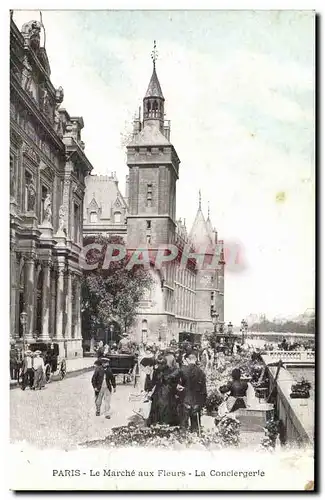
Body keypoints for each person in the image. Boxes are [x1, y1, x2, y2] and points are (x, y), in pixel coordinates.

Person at [174, 354, 207, 432]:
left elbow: (170, 377)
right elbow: (204, 390)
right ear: (195, 360)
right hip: (196, 401)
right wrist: (202, 403)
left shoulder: (183, 370)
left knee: (183, 424)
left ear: (187, 360)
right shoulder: (201, 372)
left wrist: (177, 386)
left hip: (185, 399)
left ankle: (183, 439)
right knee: (195, 426)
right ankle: (195, 439)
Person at [145, 355, 180, 427]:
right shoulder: (157, 371)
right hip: (161, 392)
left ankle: (164, 422)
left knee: (164, 405)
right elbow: (152, 383)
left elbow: (175, 382)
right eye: (157, 364)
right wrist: (148, 376)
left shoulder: (171, 370)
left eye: (159, 364)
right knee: (158, 404)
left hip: (167, 392)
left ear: (164, 364)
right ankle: (159, 422)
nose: (158, 366)